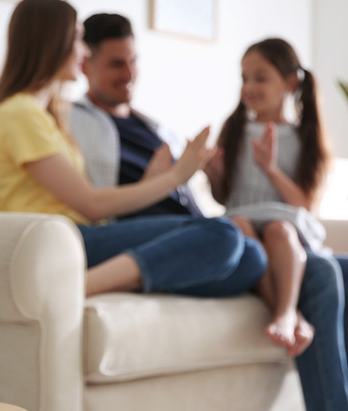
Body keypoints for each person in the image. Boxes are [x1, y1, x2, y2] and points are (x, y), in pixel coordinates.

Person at [0, 0, 266, 299]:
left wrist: (156, 181)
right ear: (51, 43)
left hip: (83, 235)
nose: (84, 51)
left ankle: (132, 275)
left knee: (252, 258)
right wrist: (175, 177)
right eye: (77, 39)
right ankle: (72, 290)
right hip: (61, 238)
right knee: (224, 234)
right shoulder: (18, 113)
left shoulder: (47, 115)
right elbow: (92, 204)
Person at [70, 12, 312, 353]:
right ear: (84, 64)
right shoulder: (71, 120)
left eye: (133, 61)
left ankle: (292, 320)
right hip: (145, 230)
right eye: (115, 64)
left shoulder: (155, 128)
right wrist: (157, 181)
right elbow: (88, 195)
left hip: (192, 229)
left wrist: (204, 175)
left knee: (255, 257)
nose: (129, 74)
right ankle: (289, 313)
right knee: (231, 233)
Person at [207, 37, 348, 411]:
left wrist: (271, 169)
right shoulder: (234, 127)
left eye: (261, 77)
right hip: (253, 237)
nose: (249, 87)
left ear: (291, 82)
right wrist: (212, 172)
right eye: (244, 78)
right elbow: (224, 195)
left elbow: (305, 203)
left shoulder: (306, 135)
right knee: (322, 271)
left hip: (294, 237)